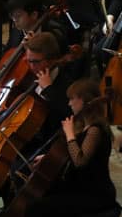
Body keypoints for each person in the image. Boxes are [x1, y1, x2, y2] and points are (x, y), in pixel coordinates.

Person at [23, 78, 117, 217]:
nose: (69, 103)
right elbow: (72, 156)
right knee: (35, 195)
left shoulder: (95, 130)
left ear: (84, 100)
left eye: (72, 99)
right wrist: (48, 159)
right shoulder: (82, 125)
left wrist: (69, 134)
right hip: (79, 187)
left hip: (94, 194)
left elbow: (80, 161)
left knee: (36, 207)